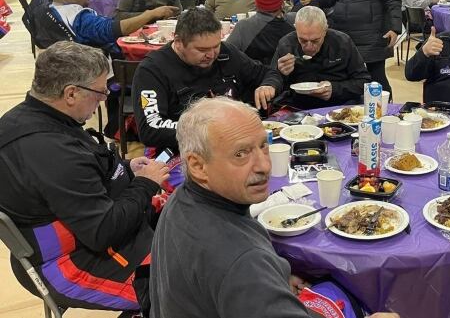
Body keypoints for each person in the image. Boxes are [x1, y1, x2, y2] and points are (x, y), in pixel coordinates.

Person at [150, 97, 401, 318]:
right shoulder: (243, 261)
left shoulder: (182, 199)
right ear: (198, 166)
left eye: (262, 145)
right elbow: (239, 268)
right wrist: (260, 282)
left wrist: (274, 280)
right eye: (241, 154)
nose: (264, 166)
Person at [0, 41, 168, 313]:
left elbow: (83, 173)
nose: (104, 99)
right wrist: (145, 184)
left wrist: (125, 169)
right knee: (183, 289)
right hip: (69, 262)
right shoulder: (50, 150)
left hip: (85, 232)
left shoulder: (38, 115)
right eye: (100, 92)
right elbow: (103, 232)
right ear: (71, 93)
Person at [132, 8, 280, 190]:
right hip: (181, 150)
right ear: (178, 42)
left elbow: (267, 73)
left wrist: (269, 84)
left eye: (215, 46)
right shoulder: (153, 70)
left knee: (272, 173)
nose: (211, 55)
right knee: (227, 188)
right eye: (202, 49)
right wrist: (207, 130)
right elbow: (150, 128)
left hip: (233, 142)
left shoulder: (225, 52)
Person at [35, 0, 178, 57]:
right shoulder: (78, 18)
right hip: (94, 71)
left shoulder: (47, 10)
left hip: (66, 68)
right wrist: (151, 14)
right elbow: (116, 29)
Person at [269, 6, 372, 109]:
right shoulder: (286, 44)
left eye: (315, 41)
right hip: (299, 105)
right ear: (295, 28)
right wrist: (280, 73)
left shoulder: (342, 42)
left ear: (325, 30)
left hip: (339, 104)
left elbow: (363, 81)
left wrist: (334, 89)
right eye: (303, 40)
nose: (309, 47)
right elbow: (272, 79)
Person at [225, 0, 294, 65]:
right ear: (282, 2)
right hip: (294, 76)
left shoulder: (244, 27)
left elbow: (225, 55)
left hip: (257, 76)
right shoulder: (296, 21)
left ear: (257, 3)